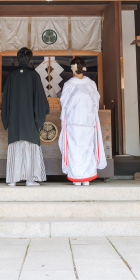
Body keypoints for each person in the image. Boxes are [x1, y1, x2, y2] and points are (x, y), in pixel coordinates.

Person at [1, 47, 50, 186]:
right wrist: (39, 117)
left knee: (15, 145)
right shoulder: (34, 75)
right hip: (29, 118)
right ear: (30, 60)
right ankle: (30, 179)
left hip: (15, 118)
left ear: (17, 58)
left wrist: (7, 118)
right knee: (30, 147)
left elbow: (6, 99)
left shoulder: (12, 75)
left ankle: (12, 179)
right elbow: (40, 99)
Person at [58, 57, 107, 185]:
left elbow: (64, 103)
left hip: (74, 122)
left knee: (76, 149)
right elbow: (95, 103)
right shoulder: (91, 84)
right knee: (87, 148)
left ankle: (78, 177)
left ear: (73, 70)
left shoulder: (69, 85)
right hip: (87, 122)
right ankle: (86, 177)